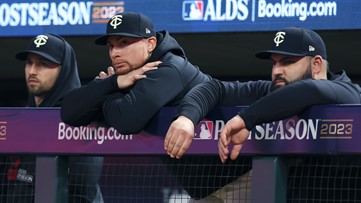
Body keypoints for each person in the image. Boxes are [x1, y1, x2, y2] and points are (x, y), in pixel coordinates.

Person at [60, 11, 250, 202]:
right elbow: (69, 112)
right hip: (207, 187)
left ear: (150, 43)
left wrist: (108, 93)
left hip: (243, 175)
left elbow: (127, 120)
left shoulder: (170, 67)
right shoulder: (129, 74)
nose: (115, 52)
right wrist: (113, 84)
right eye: (111, 46)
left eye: (124, 43)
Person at [165, 26, 361, 202]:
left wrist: (245, 119)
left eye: (287, 62)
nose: (276, 71)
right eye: (274, 63)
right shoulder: (273, 90)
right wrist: (186, 117)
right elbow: (215, 88)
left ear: (316, 64)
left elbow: (311, 90)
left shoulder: (347, 92)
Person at [8, 33, 104, 203]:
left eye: (43, 64)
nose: (32, 71)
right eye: (29, 63)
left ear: (63, 70)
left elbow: (82, 194)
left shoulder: (80, 117)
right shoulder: (20, 119)